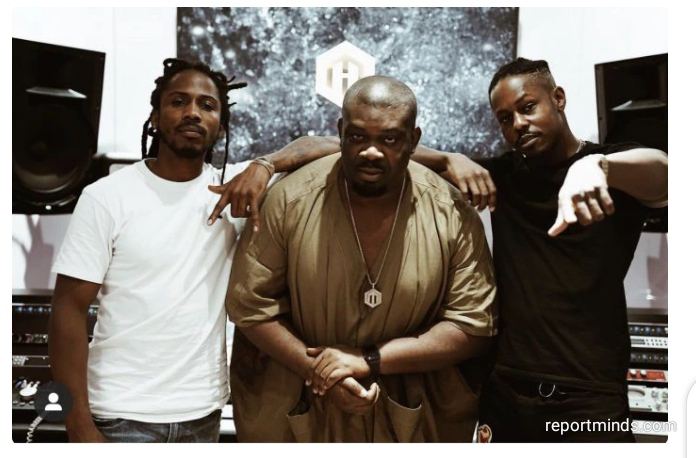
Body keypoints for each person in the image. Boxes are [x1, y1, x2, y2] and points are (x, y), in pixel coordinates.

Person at [48, 57, 343, 443]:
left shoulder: (236, 191)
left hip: (203, 415)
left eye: (207, 105)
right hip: (119, 416)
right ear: (155, 118)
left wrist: (265, 164)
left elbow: (333, 147)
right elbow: (67, 311)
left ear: (221, 126)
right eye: (178, 101)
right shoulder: (106, 196)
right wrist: (77, 424)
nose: (192, 112)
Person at [226, 75, 498, 442]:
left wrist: (369, 359)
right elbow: (250, 307)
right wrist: (320, 370)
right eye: (357, 137)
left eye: (389, 139)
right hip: (302, 412)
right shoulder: (289, 200)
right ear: (340, 132)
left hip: (412, 417)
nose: (371, 151)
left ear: (413, 140)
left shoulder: (451, 211)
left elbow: (473, 326)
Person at [414, 57, 668, 442]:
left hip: (591, 395)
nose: (518, 124)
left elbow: (664, 173)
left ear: (558, 99)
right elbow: (386, 152)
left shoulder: (614, 169)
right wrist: (448, 157)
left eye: (528, 107)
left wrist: (598, 168)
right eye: (505, 118)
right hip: (507, 390)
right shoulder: (503, 177)